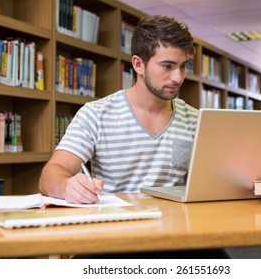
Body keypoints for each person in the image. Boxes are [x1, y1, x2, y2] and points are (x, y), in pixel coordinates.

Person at [39, 14, 230, 259]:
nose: (178, 77)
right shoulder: (96, 114)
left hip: (177, 235)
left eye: (183, 66)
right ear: (138, 64)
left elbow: (214, 183)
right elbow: (50, 175)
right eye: (167, 66)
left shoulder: (196, 120)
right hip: (114, 238)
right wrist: (67, 186)